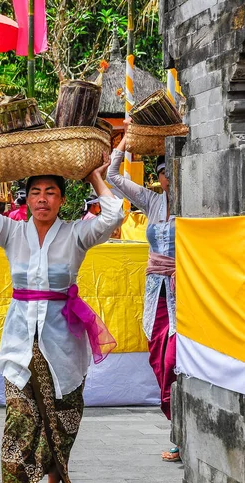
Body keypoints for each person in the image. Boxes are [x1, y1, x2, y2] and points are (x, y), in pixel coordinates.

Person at [0, 126, 124, 483]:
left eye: (51, 192)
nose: (43, 200)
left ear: (62, 200)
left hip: (64, 346)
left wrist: (93, 173)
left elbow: (113, 214)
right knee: (19, 419)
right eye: (36, 193)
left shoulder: (76, 234)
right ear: (26, 198)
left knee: (63, 421)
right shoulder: (11, 232)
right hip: (20, 342)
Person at [106, 118, 179, 462]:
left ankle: (181, 432)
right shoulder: (152, 202)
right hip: (157, 293)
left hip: (186, 292)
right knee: (158, 358)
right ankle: (177, 429)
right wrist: (125, 140)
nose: (168, 178)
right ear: (160, 177)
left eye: (173, 171)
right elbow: (112, 177)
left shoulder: (194, 204)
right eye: (163, 172)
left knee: (174, 360)